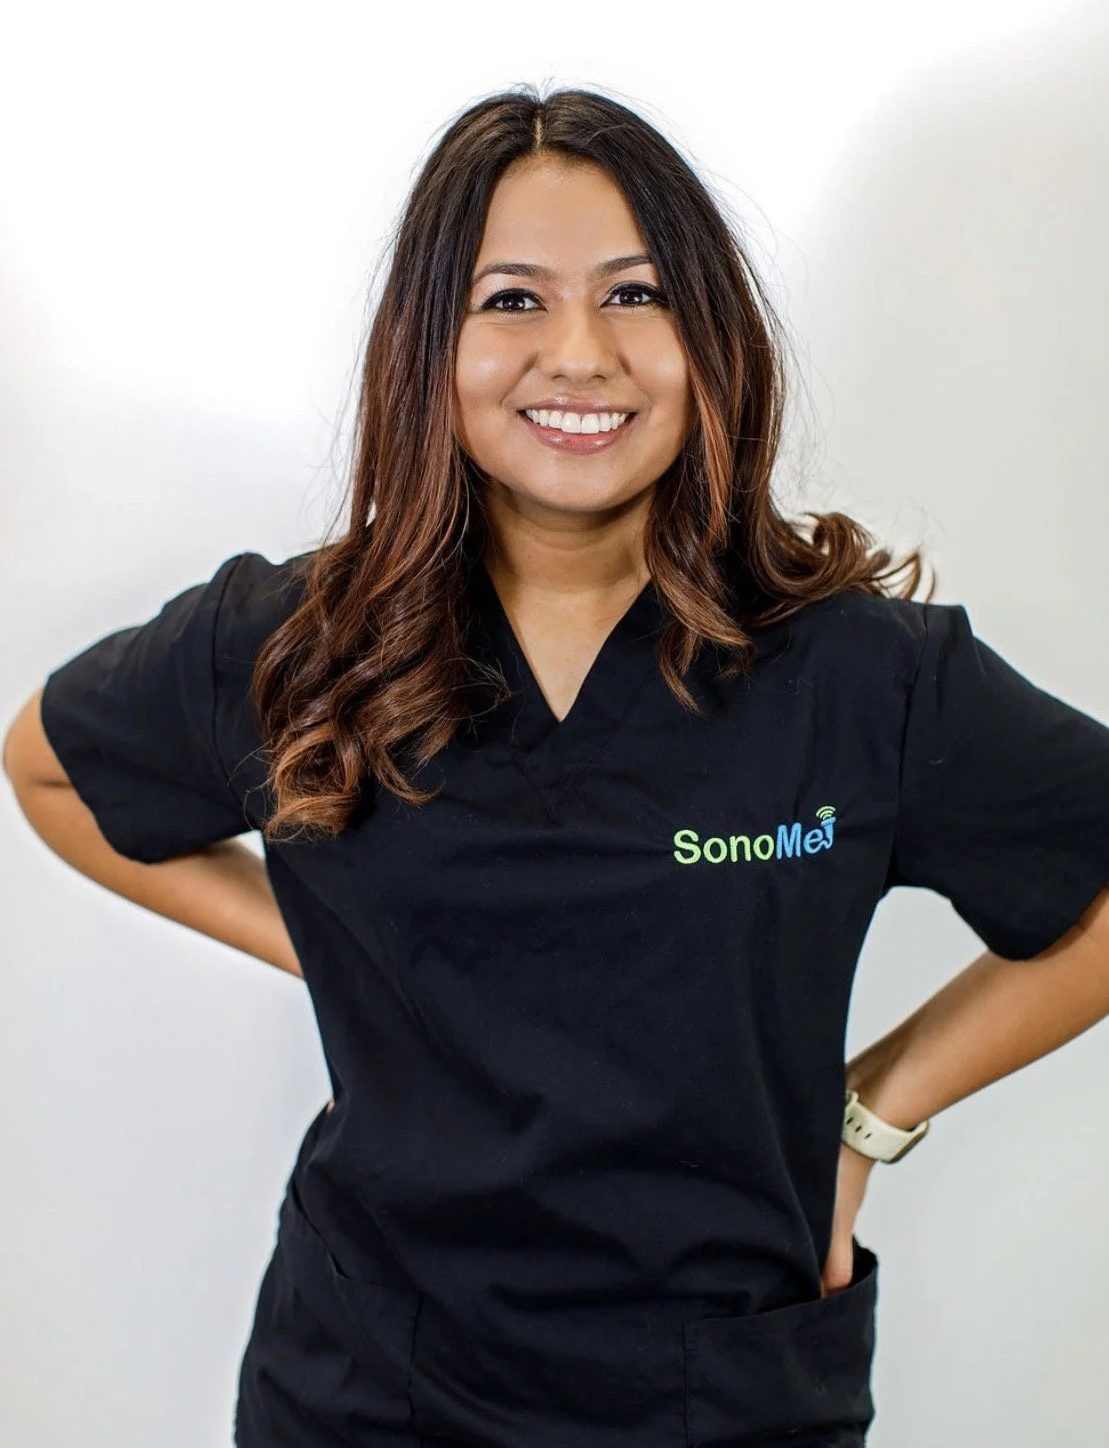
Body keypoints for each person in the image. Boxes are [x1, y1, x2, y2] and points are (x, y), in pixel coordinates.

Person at [6, 85, 1109, 1448]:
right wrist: (338, 949)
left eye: (637, 295)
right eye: (513, 300)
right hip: (370, 1386)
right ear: (431, 345)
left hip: (721, 1388)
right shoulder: (303, 643)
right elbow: (50, 770)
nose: (579, 353)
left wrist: (870, 1114)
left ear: (712, 341)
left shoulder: (864, 678)